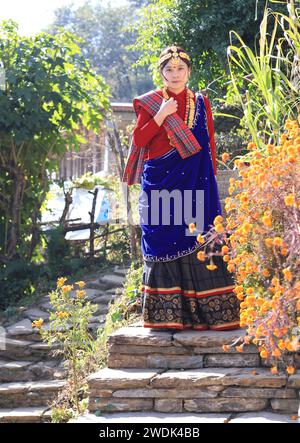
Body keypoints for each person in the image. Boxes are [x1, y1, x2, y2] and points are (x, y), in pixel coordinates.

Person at [122, 45, 240, 331]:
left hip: (194, 183)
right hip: (161, 182)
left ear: (188, 71)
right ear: (161, 73)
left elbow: (208, 145)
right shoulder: (150, 102)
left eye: (180, 69)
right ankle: (167, 316)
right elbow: (139, 140)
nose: (175, 74)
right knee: (164, 235)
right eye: (169, 70)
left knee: (194, 234)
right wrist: (162, 114)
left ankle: (206, 314)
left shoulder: (201, 102)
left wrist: (209, 183)